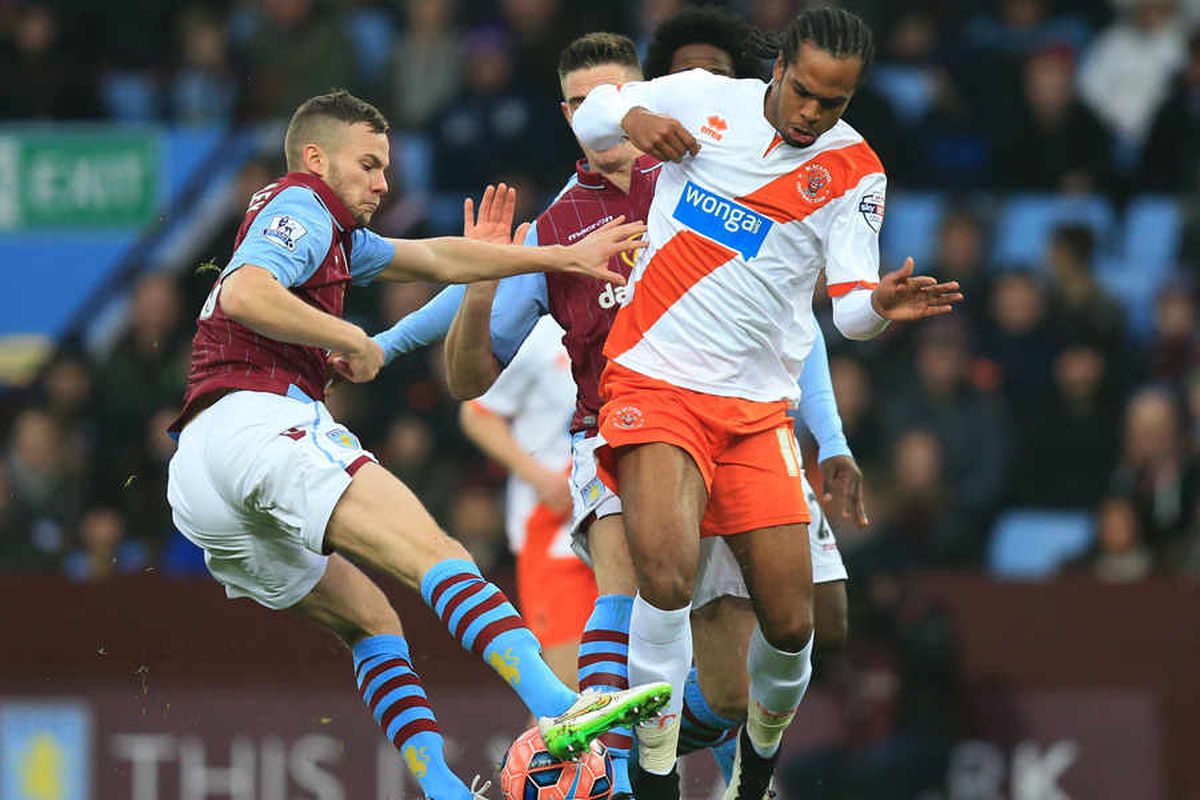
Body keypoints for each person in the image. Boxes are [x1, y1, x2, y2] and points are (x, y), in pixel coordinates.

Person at [373, 25, 866, 796]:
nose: (591, 117)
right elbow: (469, 379)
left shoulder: (715, 168)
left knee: (768, 662)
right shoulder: (555, 230)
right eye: (574, 105)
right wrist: (449, 297)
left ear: (642, 93)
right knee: (627, 580)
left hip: (741, 424)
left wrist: (829, 435)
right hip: (621, 424)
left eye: (604, 97)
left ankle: (630, 757)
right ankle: (598, 771)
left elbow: (795, 319)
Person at [164, 89, 668, 800]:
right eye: (368, 164)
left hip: (201, 480)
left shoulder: (339, 237)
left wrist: (560, 254)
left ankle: (442, 789)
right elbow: (245, 291)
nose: (382, 182)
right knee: (440, 555)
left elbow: (434, 257)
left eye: (386, 168)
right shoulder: (302, 202)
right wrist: (351, 338)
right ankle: (565, 706)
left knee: (371, 619)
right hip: (258, 421)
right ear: (316, 158)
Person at [570, 8, 962, 799]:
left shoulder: (857, 173)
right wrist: (638, 114)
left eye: (836, 102)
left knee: (795, 626)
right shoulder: (704, 96)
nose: (815, 113)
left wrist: (880, 306)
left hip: (755, 410)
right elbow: (594, 113)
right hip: (655, 379)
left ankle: (756, 769)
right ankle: (651, 781)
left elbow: (847, 312)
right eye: (808, 92)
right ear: (780, 67)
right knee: (668, 578)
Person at [459, 314, 597, 688]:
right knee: (569, 690)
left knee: (639, 680)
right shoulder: (535, 331)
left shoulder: (634, 315)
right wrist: (539, 477)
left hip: (627, 519)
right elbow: (477, 413)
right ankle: (541, 744)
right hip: (556, 531)